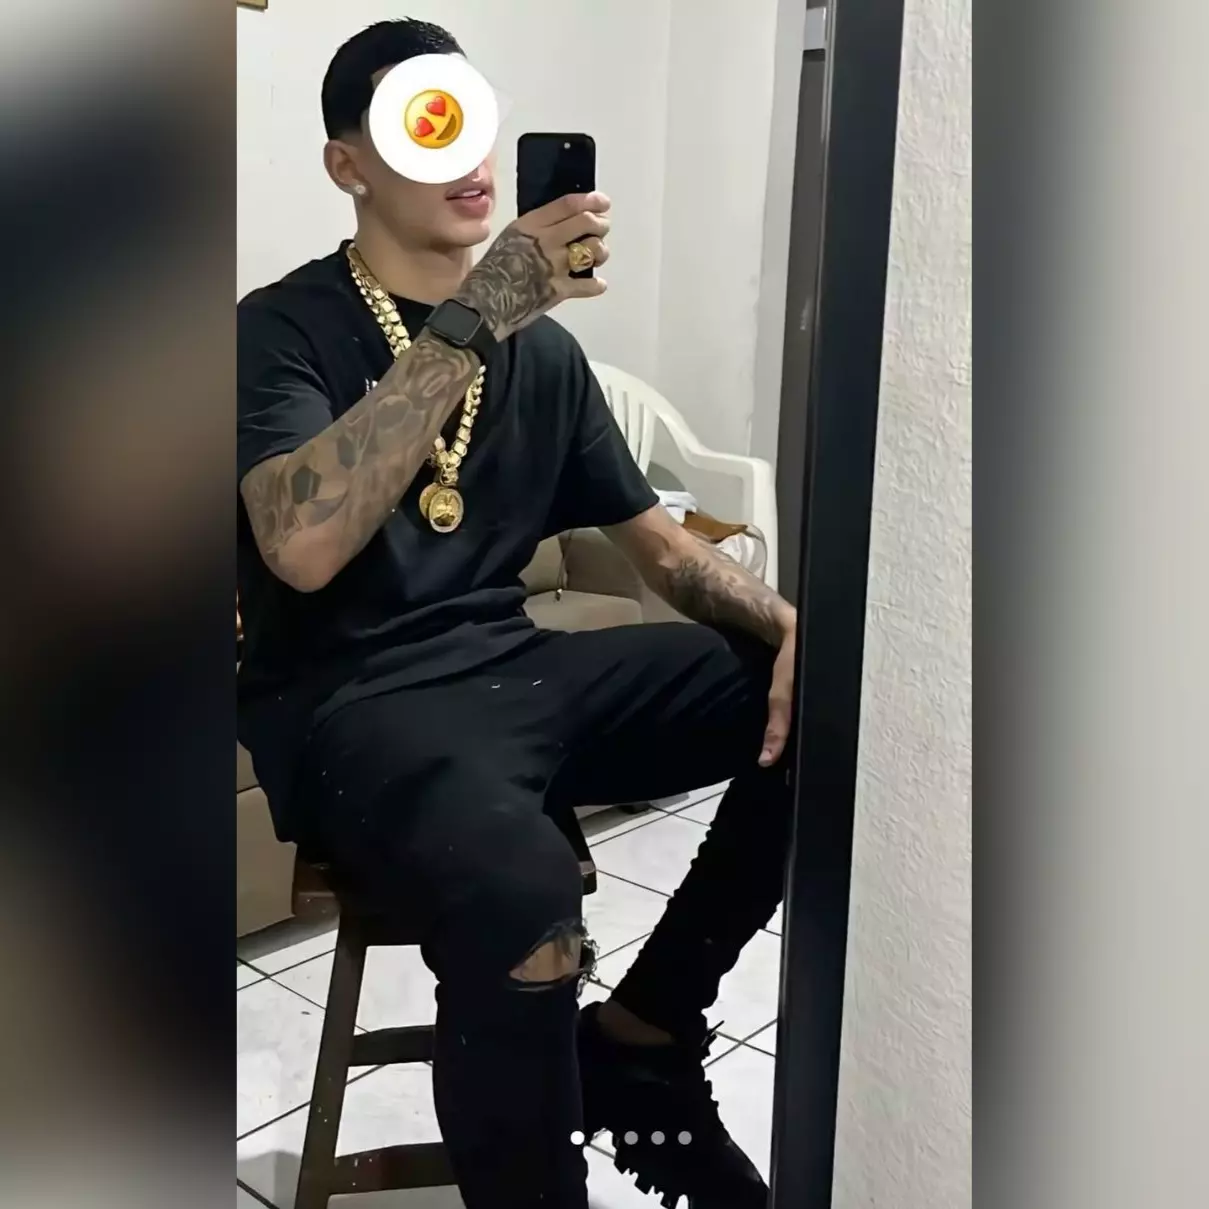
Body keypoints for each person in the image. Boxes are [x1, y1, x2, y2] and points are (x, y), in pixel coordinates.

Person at [237, 18, 796, 1209]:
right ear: (349, 164)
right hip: (353, 705)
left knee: (821, 708)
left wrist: (787, 625)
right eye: (424, 127)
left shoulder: (542, 361)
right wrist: (481, 308)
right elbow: (301, 546)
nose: (467, 156)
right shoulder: (282, 328)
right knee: (522, 901)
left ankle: (645, 1036)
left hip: (513, 668)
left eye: (470, 119)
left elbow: (661, 548)